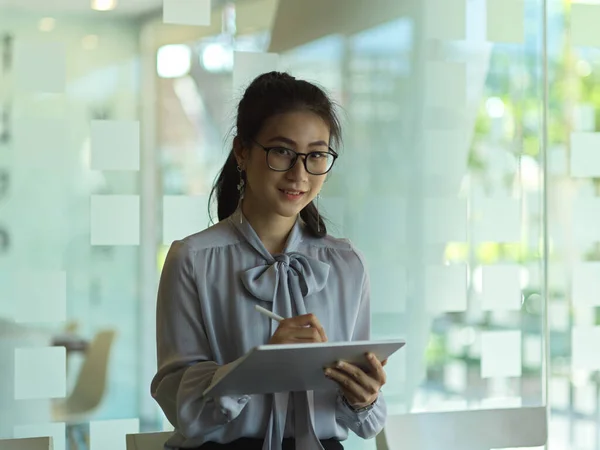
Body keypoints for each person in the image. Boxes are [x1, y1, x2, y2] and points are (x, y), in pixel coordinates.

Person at [151, 71, 388, 450]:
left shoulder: (347, 264)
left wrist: (364, 398)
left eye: (316, 155)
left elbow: (365, 419)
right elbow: (179, 403)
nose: (299, 173)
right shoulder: (193, 259)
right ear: (242, 151)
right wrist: (257, 368)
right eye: (282, 151)